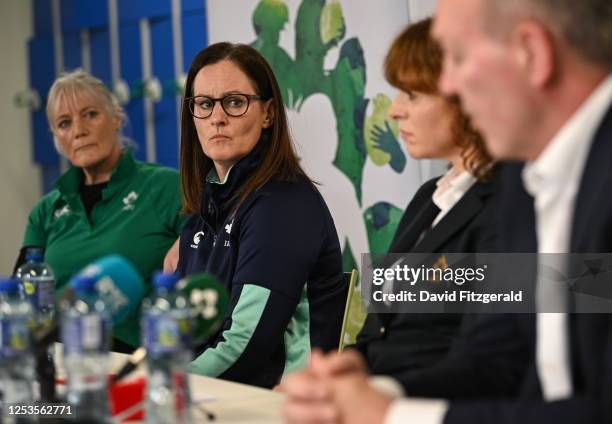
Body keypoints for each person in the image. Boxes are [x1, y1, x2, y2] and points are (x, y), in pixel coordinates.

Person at [281, 0, 612, 423]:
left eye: (456, 57)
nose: (449, 85)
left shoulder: (509, 189)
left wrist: (394, 414)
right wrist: (372, 391)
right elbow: (501, 353)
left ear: (532, 52)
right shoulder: (526, 184)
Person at [175, 42, 346, 388]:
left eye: (235, 102)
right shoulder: (204, 209)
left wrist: (166, 385)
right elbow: (182, 328)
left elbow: (245, 345)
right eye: (205, 105)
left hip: (280, 403)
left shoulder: (282, 205)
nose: (217, 117)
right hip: (220, 396)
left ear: (268, 114)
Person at [352, 18, 502, 387]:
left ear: (463, 94)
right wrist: (343, 375)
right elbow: (379, 321)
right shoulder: (427, 196)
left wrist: (381, 395)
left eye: (412, 95)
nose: (394, 110)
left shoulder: (508, 203)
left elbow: (492, 356)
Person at [19, 69, 186, 352]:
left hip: (134, 357)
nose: (78, 130)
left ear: (117, 117)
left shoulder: (168, 187)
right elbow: (22, 299)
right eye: (64, 123)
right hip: (56, 354)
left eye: (90, 114)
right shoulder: (44, 212)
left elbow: (213, 263)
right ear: (57, 138)